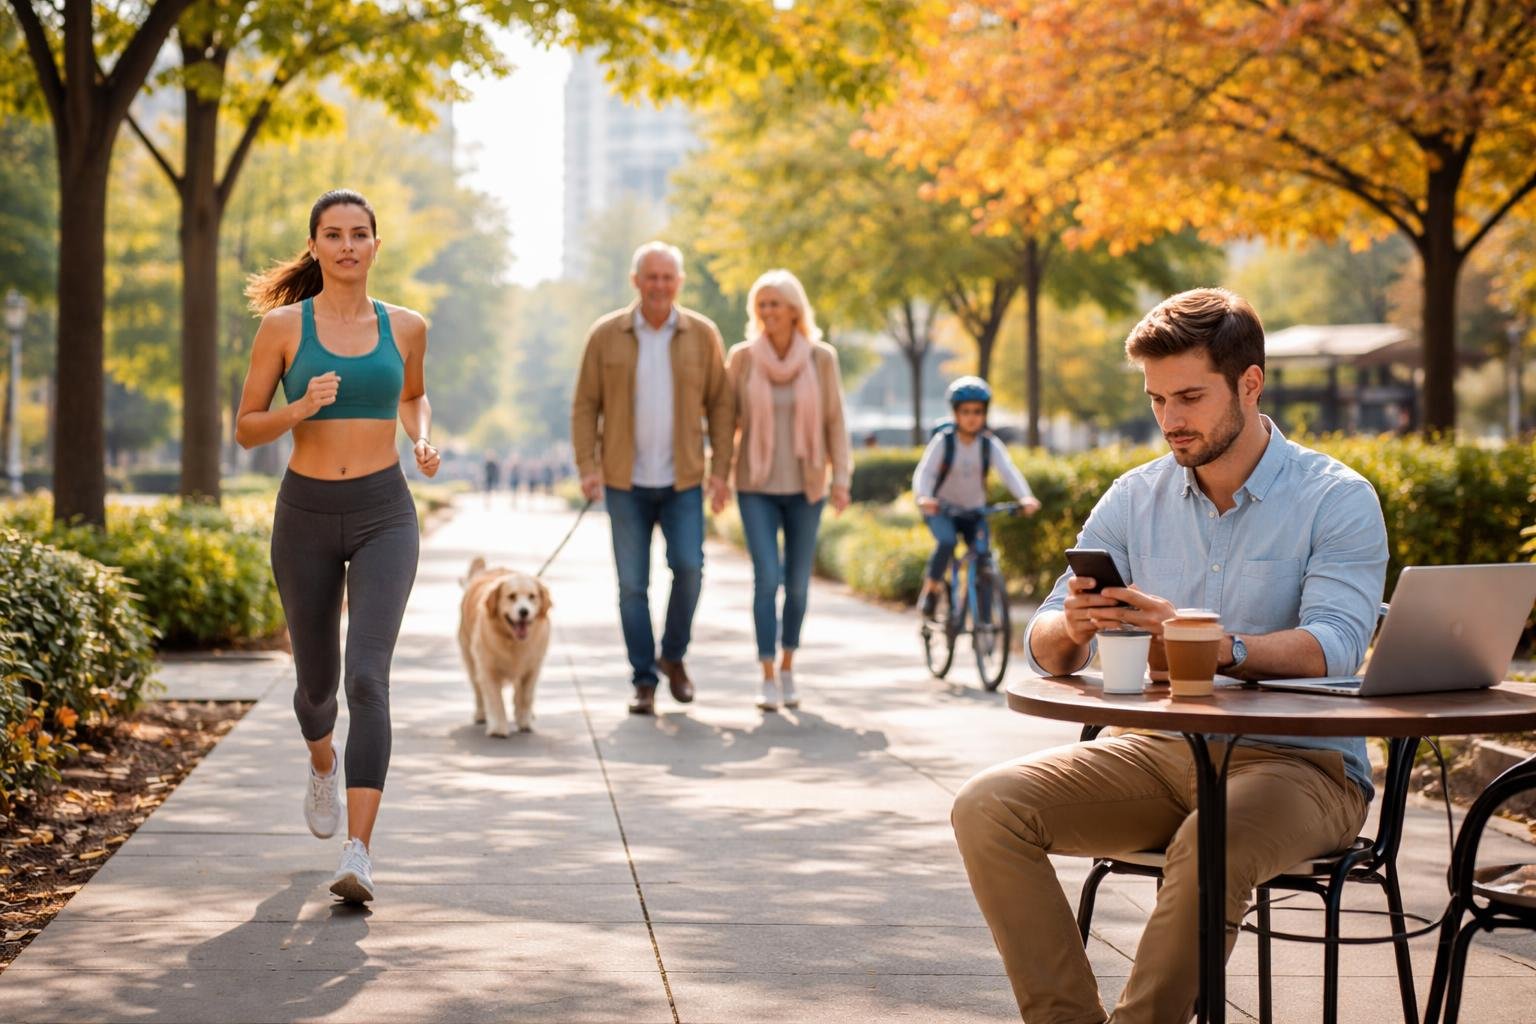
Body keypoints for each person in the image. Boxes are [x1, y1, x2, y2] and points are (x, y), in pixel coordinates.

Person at [950, 288, 1388, 1023]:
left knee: (1208, 842)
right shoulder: (1134, 496)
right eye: (1156, 400)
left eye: (1189, 396)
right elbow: (1044, 642)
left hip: (1298, 764)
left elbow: (1338, 645)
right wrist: (1078, 627)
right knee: (987, 808)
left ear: (1250, 384)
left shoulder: (1334, 499)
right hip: (1155, 752)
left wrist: (1211, 644)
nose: (1170, 421)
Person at [236, 189, 440, 905]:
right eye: (334, 234)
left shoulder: (407, 326)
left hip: (385, 511)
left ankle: (358, 851)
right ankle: (321, 760)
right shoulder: (283, 328)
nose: (348, 245)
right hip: (307, 515)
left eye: (360, 234)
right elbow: (246, 427)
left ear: (377, 246)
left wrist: (420, 436)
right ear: (316, 246)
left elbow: (413, 395)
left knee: (368, 678)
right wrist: (298, 407)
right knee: (316, 688)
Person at [571, 241, 734, 715]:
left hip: (683, 479)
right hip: (624, 481)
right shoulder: (606, 335)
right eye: (651, 277)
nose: (659, 285)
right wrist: (587, 467)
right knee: (631, 586)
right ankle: (643, 679)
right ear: (635, 281)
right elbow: (585, 405)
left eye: (668, 277)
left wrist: (721, 470)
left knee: (689, 568)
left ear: (679, 283)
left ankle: (673, 656)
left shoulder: (702, 334)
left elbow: (722, 406)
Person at [724, 269, 852, 712]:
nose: (767, 311)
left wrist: (842, 480)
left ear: (794, 309)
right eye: (760, 304)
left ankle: (788, 665)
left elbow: (835, 421)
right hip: (755, 485)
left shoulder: (821, 359)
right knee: (766, 579)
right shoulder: (741, 358)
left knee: (796, 584)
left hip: (806, 484)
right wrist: (717, 477)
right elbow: (726, 425)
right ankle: (764, 674)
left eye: (774, 303)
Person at [913, 376, 1040, 621]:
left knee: (983, 556)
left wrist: (1026, 497)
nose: (972, 417)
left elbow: (1008, 471)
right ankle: (931, 590)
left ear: (985, 413)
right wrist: (924, 497)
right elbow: (925, 472)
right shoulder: (944, 442)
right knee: (947, 542)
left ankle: (984, 622)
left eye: (978, 411)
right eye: (966, 411)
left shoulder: (988, 444)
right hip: (942, 510)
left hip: (974, 512)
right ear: (955, 414)